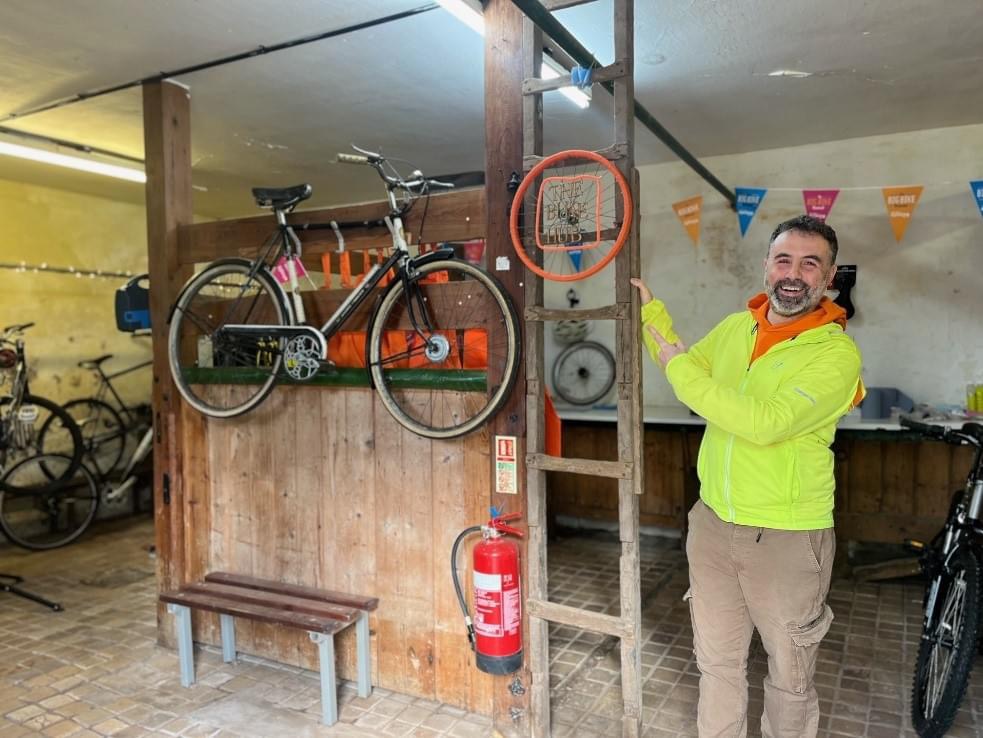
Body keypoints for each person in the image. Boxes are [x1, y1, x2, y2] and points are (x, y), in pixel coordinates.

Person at [632, 214, 863, 738]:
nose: (793, 273)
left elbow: (764, 423)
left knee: (789, 679)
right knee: (716, 666)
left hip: (785, 536)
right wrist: (651, 314)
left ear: (828, 279)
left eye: (810, 264)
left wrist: (677, 366)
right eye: (784, 259)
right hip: (713, 526)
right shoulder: (738, 328)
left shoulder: (836, 354)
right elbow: (686, 366)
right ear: (765, 266)